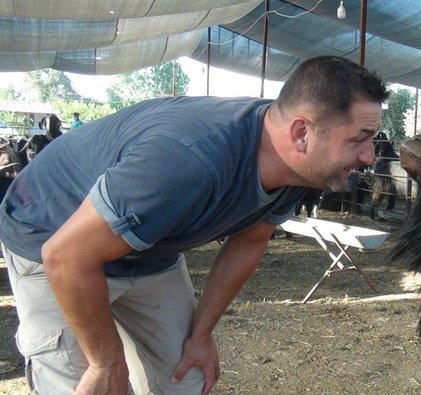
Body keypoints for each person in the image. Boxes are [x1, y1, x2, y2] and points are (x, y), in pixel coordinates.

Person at [0, 55, 390, 395]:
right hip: (52, 234)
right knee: (90, 387)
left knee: (185, 380)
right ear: (301, 132)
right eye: (361, 138)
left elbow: (248, 243)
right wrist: (105, 363)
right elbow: (66, 256)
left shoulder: (299, 168)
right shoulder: (188, 159)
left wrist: (201, 335)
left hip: (150, 250)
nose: (371, 156)